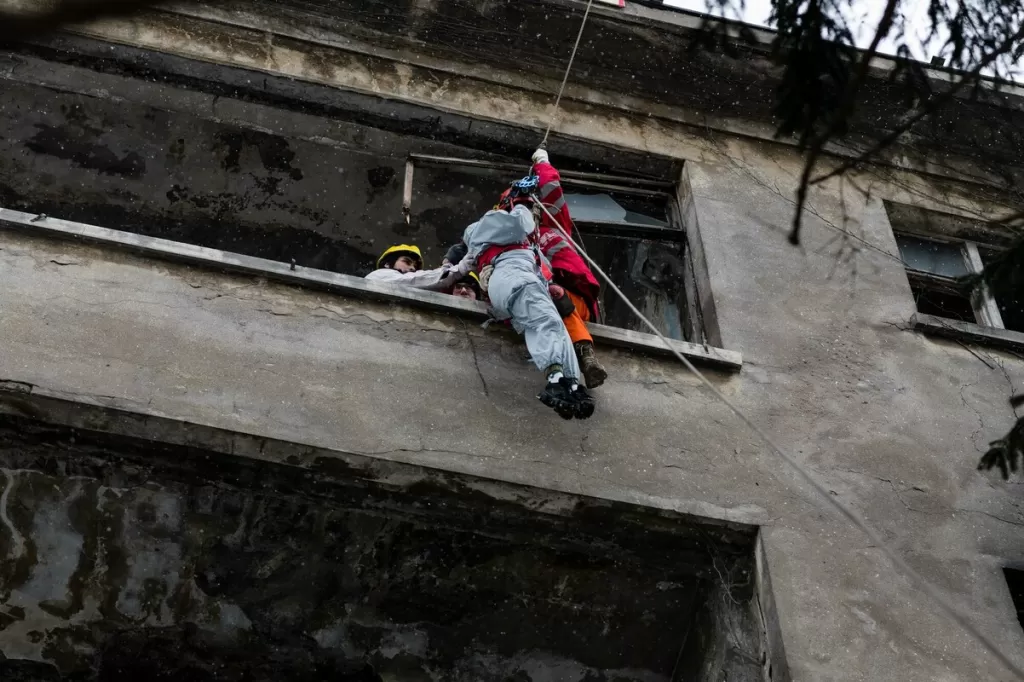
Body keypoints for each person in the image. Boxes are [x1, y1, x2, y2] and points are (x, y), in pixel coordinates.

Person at [459, 202, 595, 420]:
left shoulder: (513, 246)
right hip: (514, 278)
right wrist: (521, 206)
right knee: (546, 321)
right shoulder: (489, 227)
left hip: (517, 280)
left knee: (556, 327)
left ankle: (571, 384)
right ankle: (555, 378)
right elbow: (521, 221)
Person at [496, 149, 609, 389]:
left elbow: (551, 189)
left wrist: (542, 163)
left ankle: (581, 355)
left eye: (528, 204)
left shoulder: (554, 223)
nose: (525, 209)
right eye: (519, 205)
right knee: (540, 297)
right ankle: (571, 362)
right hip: (539, 297)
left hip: (573, 298)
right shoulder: (512, 242)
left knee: (553, 297)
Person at [366, 244, 474, 291]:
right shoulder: (380, 275)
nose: (413, 268)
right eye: (407, 262)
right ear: (387, 264)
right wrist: (457, 269)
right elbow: (417, 279)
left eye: (415, 266)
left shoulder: (408, 289)